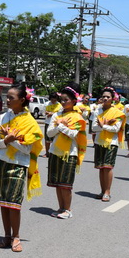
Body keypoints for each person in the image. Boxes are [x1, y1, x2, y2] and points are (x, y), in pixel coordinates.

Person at [0, 83, 43, 252]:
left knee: (14, 203)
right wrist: (7, 140)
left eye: (11, 98)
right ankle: (7, 235)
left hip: (18, 164)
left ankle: (16, 236)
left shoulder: (30, 122)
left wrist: (10, 140)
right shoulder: (2, 117)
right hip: (1, 161)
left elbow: (27, 149)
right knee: (3, 202)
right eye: (7, 97)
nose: (7, 100)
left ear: (21, 100)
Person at [47, 84, 87, 219]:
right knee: (57, 183)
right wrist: (60, 127)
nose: (63, 102)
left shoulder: (78, 117)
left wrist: (60, 126)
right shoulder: (56, 114)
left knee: (66, 184)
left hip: (70, 153)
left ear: (74, 101)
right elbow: (49, 133)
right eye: (62, 100)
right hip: (55, 151)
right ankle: (61, 207)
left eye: (66, 100)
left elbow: (73, 134)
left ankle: (68, 209)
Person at [91, 87, 125, 202]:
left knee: (107, 167)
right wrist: (106, 125)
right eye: (104, 96)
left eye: (108, 97)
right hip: (99, 141)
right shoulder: (97, 111)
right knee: (101, 168)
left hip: (111, 142)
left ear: (113, 98)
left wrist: (103, 125)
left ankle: (107, 192)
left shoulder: (118, 113)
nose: (105, 98)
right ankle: (102, 191)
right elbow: (93, 127)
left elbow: (115, 129)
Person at [43, 92, 62, 158]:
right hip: (47, 122)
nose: (53, 101)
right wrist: (46, 113)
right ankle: (47, 153)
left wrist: (52, 113)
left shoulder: (59, 105)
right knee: (47, 139)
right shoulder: (46, 104)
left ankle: (53, 153)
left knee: (55, 139)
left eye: (55, 100)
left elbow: (60, 114)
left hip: (55, 123)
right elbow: (43, 112)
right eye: (52, 99)